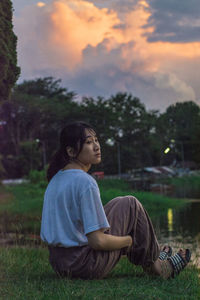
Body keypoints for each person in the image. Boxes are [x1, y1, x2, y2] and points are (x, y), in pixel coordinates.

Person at [40, 121, 191, 279]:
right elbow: (97, 241)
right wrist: (128, 240)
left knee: (122, 202)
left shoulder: (56, 179)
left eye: (96, 140)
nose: (96, 146)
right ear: (71, 151)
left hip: (59, 265)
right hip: (83, 266)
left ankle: (152, 254)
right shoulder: (85, 182)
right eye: (88, 142)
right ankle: (159, 268)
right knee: (131, 204)